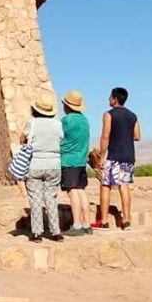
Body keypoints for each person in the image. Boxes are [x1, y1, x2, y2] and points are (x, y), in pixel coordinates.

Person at [94, 87, 141, 230]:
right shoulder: (133, 116)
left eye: (110, 97)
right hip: (129, 155)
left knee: (105, 186)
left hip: (114, 155)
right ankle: (126, 220)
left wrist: (102, 156)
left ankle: (104, 221)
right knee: (124, 186)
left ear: (115, 99)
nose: (109, 99)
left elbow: (105, 136)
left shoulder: (108, 114)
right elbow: (137, 136)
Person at [21, 91, 64, 242]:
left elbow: (22, 139)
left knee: (36, 199)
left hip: (35, 164)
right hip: (53, 165)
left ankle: (37, 233)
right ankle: (55, 232)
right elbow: (62, 141)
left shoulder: (31, 124)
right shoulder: (58, 124)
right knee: (51, 198)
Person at [59, 90, 92, 237]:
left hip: (69, 160)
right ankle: (87, 224)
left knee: (72, 192)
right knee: (81, 191)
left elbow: (60, 137)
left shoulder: (66, 121)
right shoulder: (85, 120)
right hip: (81, 161)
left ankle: (77, 225)